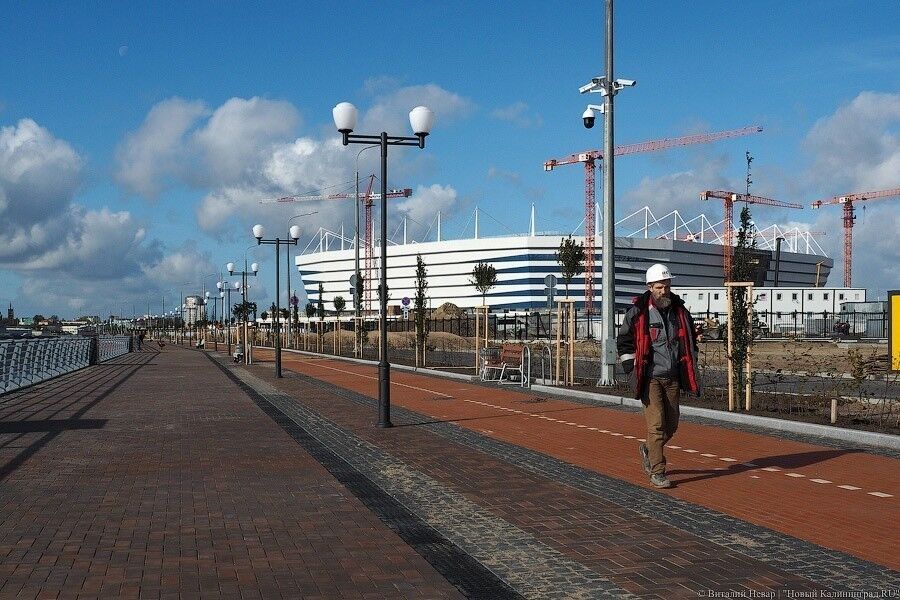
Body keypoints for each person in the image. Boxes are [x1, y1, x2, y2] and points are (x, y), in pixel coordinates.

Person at [617, 263, 701, 489]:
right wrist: (631, 370)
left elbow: (689, 339)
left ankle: (648, 449)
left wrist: (691, 360)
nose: (664, 291)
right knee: (656, 426)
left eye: (667, 286)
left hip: (673, 377)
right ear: (650, 287)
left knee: (671, 426)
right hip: (650, 378)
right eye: (659, 287)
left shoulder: (680, 311)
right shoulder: (638, 312)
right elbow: (624, 342)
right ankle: (657, 471)